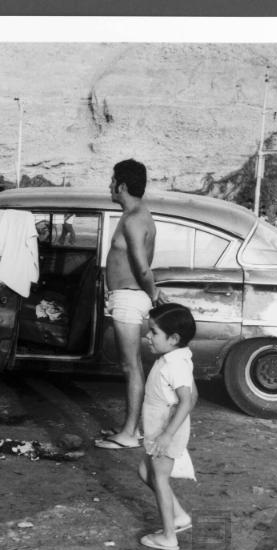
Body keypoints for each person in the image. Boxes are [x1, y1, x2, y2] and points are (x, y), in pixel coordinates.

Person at [95, 159, 164, 450]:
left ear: (122, 185)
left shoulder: (134, 218)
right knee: (131, 365)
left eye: (113, 181)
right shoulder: (136, 215)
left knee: (131, 366)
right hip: (125, 297)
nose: (110, 185)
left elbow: (141, 266)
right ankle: (131, 427)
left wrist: (154, 292)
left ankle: (129, 433)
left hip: (129, 297)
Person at [137, 303, 198, 550]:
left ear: (173, 338)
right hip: (158, 428)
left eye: (153, 332)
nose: (147, 336)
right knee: (145, 472)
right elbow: (193, 396)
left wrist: (168, 434)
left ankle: (169, 536)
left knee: (159, 479)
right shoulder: (175, 357)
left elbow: (186, 401)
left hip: (165, 431)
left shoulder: (175, 365)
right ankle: (179, 516)